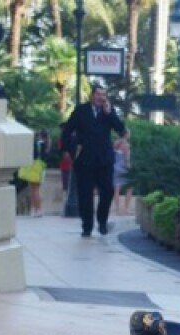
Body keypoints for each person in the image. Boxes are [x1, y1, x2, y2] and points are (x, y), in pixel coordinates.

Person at [61, 84, 128, 237]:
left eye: (103, 95)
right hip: (85, 159)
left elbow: (121, 129)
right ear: (92, 95)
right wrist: (66, 150)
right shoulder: (81, 110)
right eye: (98, 94)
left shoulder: (109, 112)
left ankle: (102, 221)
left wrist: (110, 113)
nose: (101, 98)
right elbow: (67, 130)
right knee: (85, 194)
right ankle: (87, 226)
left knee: (108, 191)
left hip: (104, 159)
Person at [112, 136, 133, 216]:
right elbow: (127, 159)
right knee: (130, 188)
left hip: (115, 167)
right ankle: (126, 209)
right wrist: (130, 168)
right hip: (123, 168)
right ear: (126, 134)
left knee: (116, 189)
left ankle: (117, 209)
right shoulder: (126, 145)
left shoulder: (115, 143)